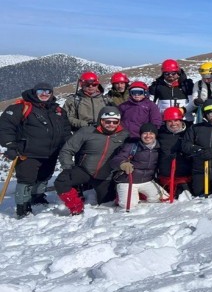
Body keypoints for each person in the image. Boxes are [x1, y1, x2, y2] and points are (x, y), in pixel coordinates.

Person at [0, 83, 71, 218]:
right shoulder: (21, 107)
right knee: (26, 180)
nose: (44, 94)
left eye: (47, 91)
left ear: (51, 93)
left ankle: (37, 197)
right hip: (28, 152)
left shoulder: (57, 110)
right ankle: (23, 207)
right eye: (41, 91)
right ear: (34, 92)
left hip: (51, 152)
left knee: (44, 176)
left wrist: (68, 146)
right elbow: (5, 127)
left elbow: (66, 130)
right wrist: (10, 145)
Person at [54, 106, 129, 215]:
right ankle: (76, 207)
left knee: (106, 203)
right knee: (61, 182)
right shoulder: (87, 131)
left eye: (115, 122)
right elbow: (67, 149)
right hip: (84, 170)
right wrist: (68, 167)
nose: (111, 125)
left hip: (106, 175)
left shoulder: (124, 135)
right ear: (101, 120)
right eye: (107, 121)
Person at [110, 122, 168, 209]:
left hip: (147, 180)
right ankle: (121, 196)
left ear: (155, 135)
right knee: (129, 205)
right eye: (145, 133)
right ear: (140, 135)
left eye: (151, 133)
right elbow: (115, 160)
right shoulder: (132, 146)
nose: (148, 136)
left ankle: (140, 194)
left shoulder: (159, 148)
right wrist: (123, 164)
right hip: (128, 181)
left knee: (164, 198)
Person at [156, 107, 193, 198]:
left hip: (185, 176)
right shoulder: (160, 134)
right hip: (165, 176)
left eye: (176, 120)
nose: (173, 124)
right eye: (169, 121)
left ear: (181, 120)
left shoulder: (190, 132)